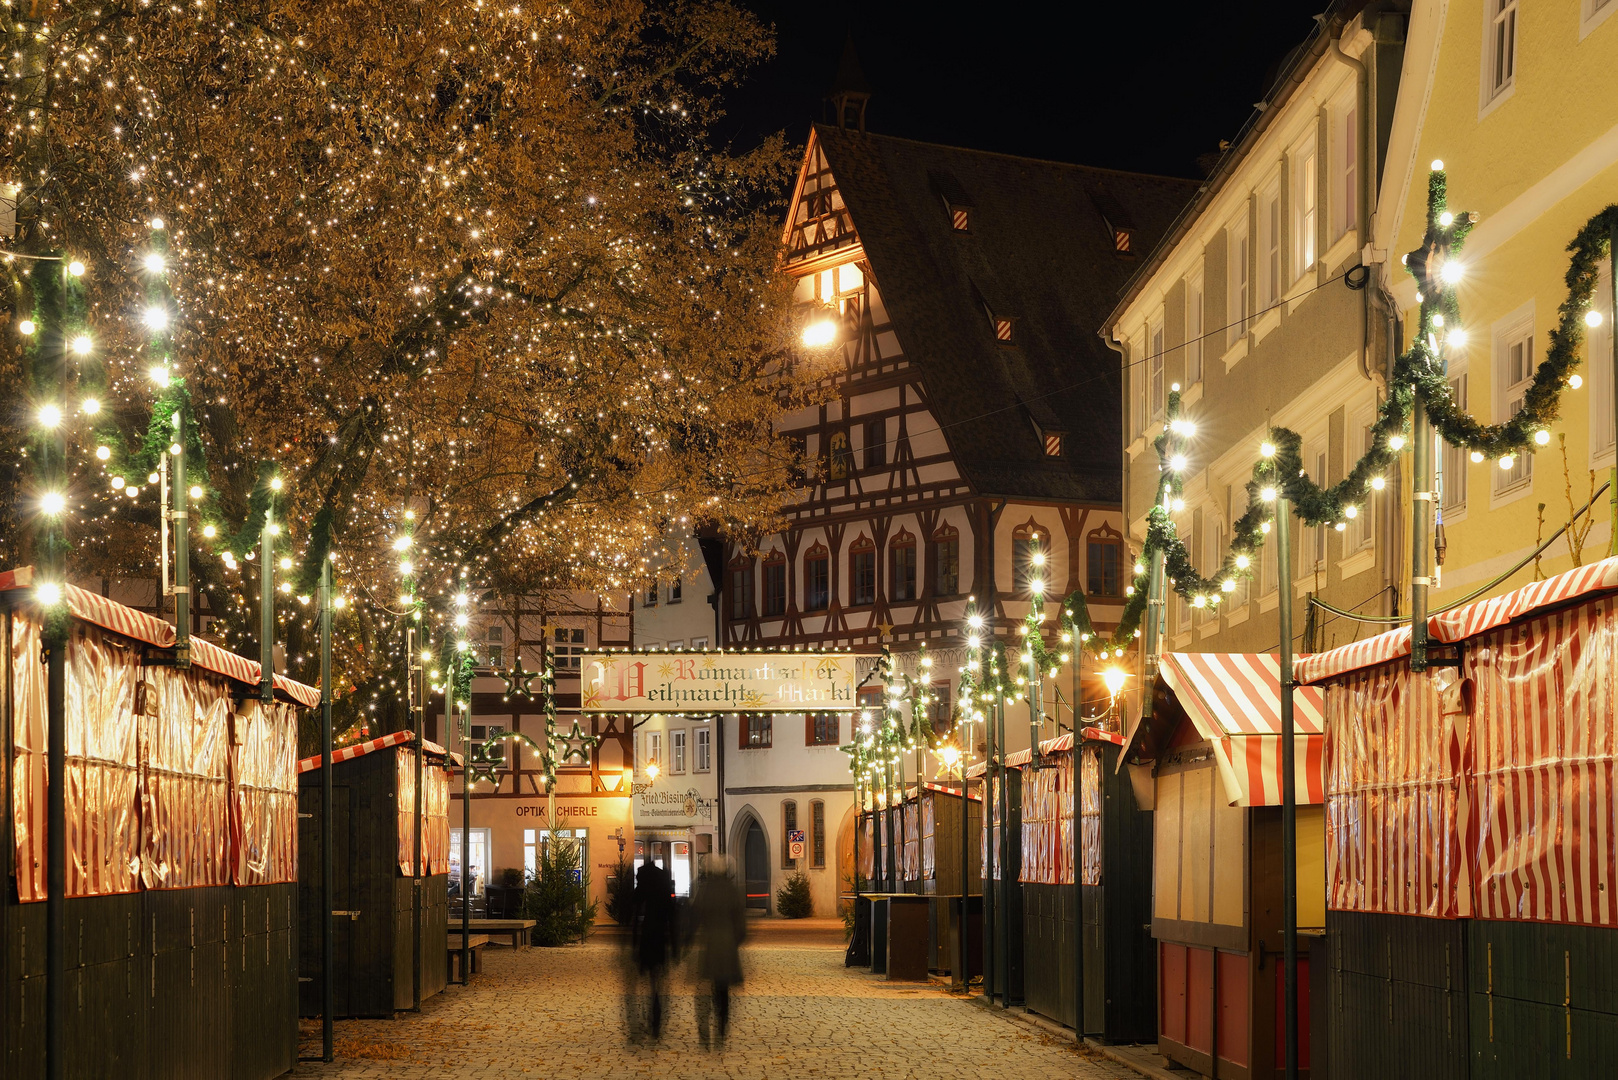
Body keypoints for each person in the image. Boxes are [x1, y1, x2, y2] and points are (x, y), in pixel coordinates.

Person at [687, 854, 746, 1050]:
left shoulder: (705, 890)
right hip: (727, 944)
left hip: (711, 944)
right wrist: (735, 941)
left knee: (709, 986)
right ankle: (722, 1026)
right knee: (723, 990)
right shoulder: (732, 890)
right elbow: (741, 925)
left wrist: (688, 940)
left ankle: (706, 1031)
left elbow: (694, 917)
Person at [628, 860, 678, 1040]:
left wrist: (633, 941)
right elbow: (671, 917)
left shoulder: (643, 886)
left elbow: (633, 912)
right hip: (659, 938)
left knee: (647, 978)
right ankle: (656, 1016)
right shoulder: (663, 887)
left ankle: (648, 1013)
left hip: (647, 936)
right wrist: (675, 946)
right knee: (656, 980)